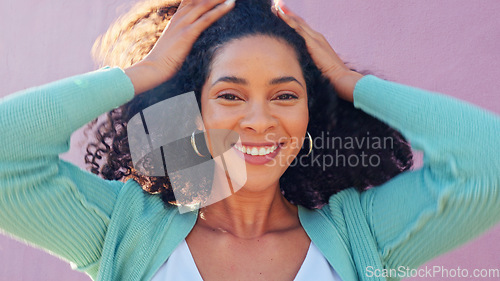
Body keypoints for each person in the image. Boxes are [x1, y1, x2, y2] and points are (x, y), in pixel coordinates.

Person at [0, 0, 498, 280]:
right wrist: (145, 72)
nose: (260, 121)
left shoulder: (359, 235)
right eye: (231, 96)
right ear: (192, 110)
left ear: (310, 112)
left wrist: (348, 83)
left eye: (285, 95)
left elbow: (488, 166)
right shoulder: (128, 229)